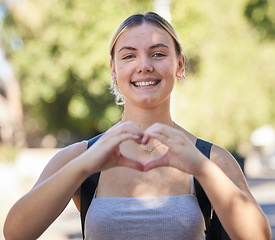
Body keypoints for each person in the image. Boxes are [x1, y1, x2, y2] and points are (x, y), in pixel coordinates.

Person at [4, 12, 271, 240]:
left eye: (158, 54)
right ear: (113, 69)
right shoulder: (80, 157)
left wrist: (201, 169)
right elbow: (15, 233)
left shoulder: (212, 158)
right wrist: (85, 165)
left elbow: (259, 236)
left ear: (179, 65)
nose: (144, 65)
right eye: (129, 56)